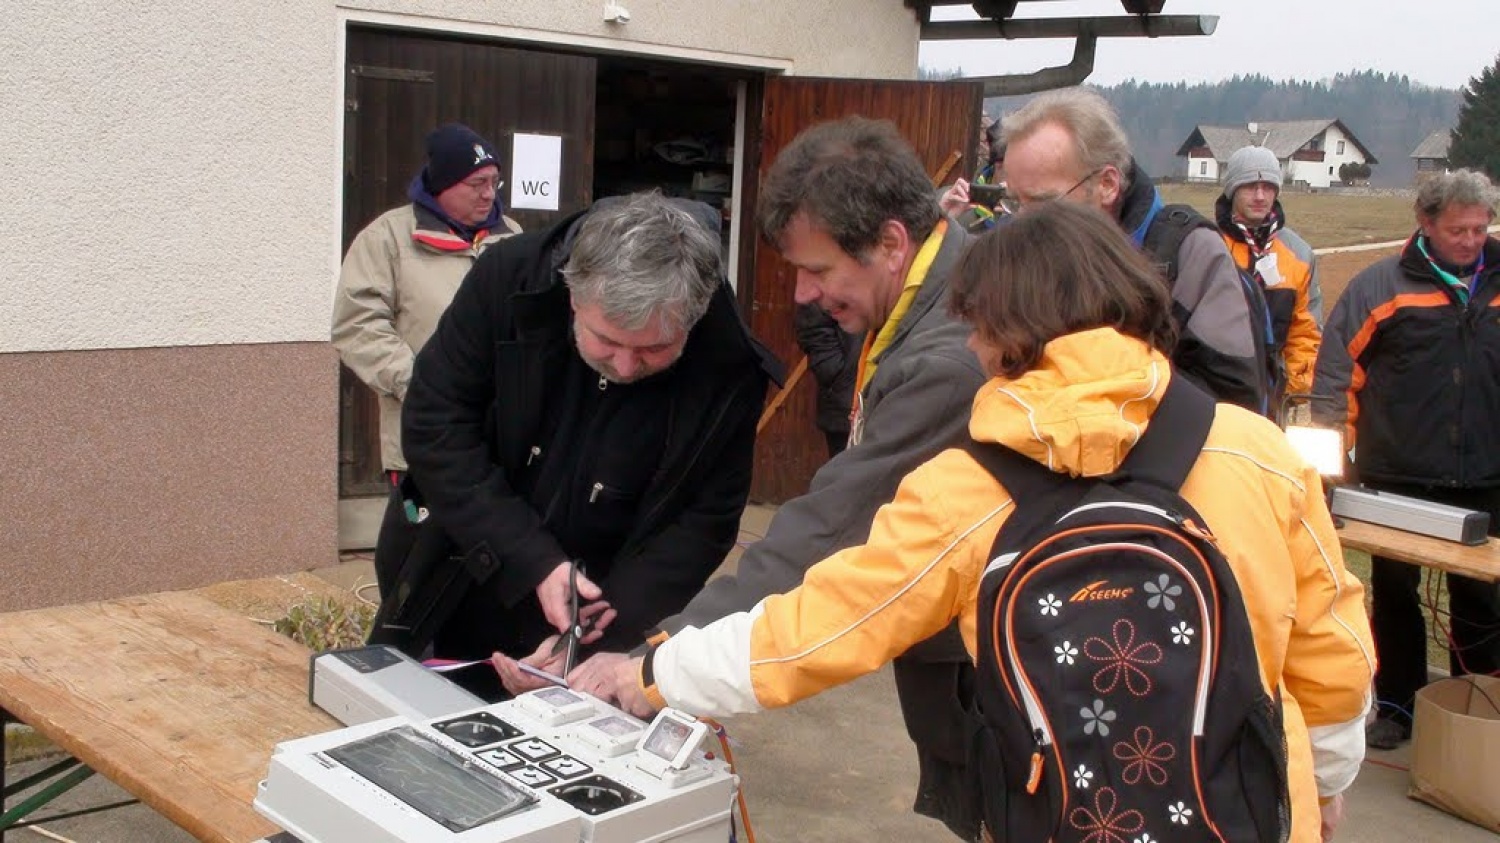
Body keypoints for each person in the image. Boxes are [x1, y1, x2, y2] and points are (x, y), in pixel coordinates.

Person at [606, 201, 1374, 843]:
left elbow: (817, 628)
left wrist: (658, 673)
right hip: (1250, 814)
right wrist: (1325, 780)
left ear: (1009, 332)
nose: (970, 347)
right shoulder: (1257, 449)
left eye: (974, 327)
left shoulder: (968, 484)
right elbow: (1334, 649)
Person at [515, 116, 989, 839]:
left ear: (892, 243)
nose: (801, 293)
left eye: (820, 270)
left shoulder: (949, 354)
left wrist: (660, 659)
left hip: (994, 661)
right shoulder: (931, 301)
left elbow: (829, 527)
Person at [368, 191, 781, 701]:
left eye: (654, 349)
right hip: (458, 570)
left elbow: (703, 521)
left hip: (605, 609)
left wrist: (594, 642)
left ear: (692, 321)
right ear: (572, 295)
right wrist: (535, 561)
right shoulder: (510, 279)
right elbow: (436, 425)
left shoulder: (727, 358)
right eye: (606, 340)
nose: (626, 367)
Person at [1313, 168, 1500, 751]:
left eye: (1480, 227)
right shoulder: (1379, 287)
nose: (1471, 240)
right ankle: (1398, 703)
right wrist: (1329, 465)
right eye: (1457, 230)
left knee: (1482, 599)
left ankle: (1478, 704)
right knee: (1394, 596)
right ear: (1425, 224)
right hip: (1394, 475)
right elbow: (1337, 378)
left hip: (1487, 475)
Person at [331, 123, 522, 599]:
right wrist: (423, 382)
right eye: (476, 184)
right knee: (419, 558)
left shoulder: (511, 237)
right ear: (442, 184)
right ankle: (404, 647)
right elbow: (357, 325)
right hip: (425, 431)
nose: (488, 194)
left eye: (494, 182)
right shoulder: (389, 238)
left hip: (500, 435)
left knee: (492, 552)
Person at [999, 88, 1266, 413]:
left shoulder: (1188, 255)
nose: (1022, 222)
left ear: (1107, 184)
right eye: (1014, 202)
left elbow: (1231, 405)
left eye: (1041, 202)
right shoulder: (1017, 258)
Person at [1216, 145, 1322, 410]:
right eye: (1250, 186)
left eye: (1268, 186)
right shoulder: (1208, 246)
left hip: (1275, 396)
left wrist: (1294, 397)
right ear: (1232, 191)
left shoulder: (1299, 254)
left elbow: (1305, 333)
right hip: (1216, 393)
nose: (1260, 196)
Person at [792, 303, 861, 458]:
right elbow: (813, 323)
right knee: (847, 478)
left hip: (899, 402)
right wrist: (839, 375)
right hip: (846, 405)